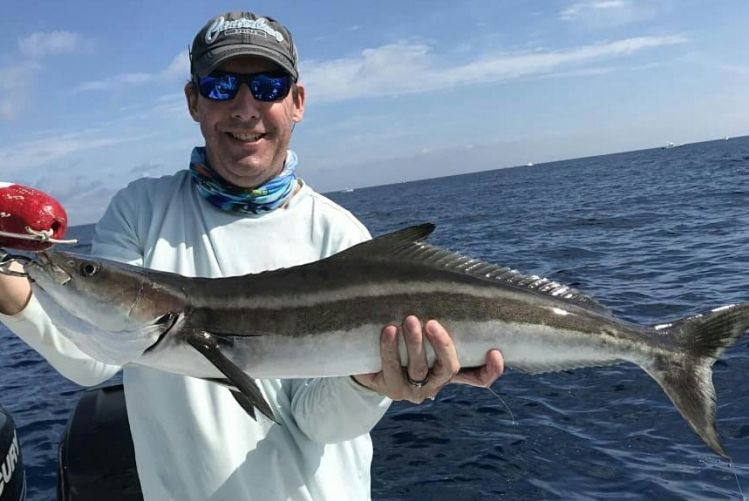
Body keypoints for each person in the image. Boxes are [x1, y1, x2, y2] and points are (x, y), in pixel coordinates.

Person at [0, 11, 503, 501]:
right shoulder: (140, 211)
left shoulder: (341, 234)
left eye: (268, 86)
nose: (245, 108)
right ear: (193, 100)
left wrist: (371, 384)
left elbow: (317, 423)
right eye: (221, 87)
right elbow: (91, 354)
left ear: (297, 101)